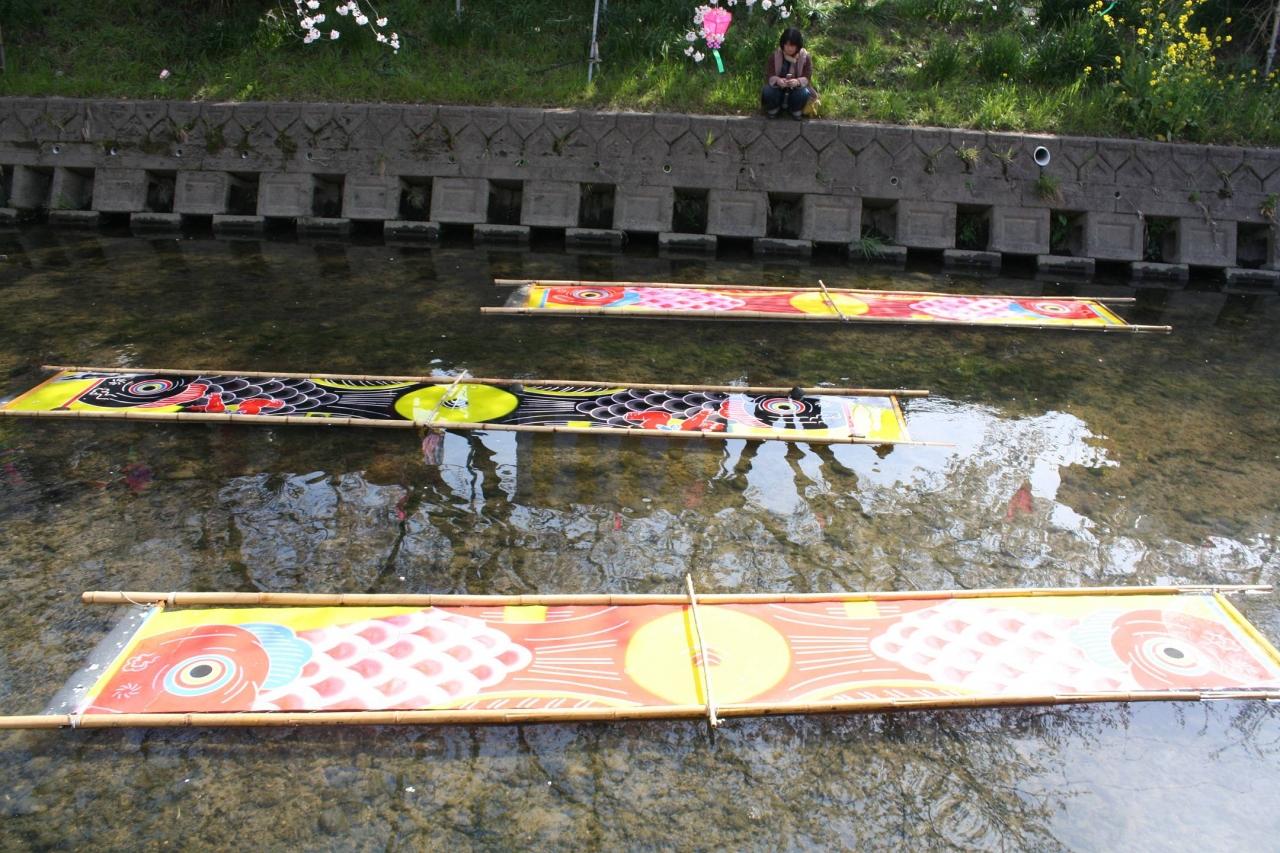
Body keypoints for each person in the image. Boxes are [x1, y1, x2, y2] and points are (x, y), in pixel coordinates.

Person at [761, 28, 814, 119]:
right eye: (786, 45)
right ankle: (774, 108)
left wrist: (797, 81)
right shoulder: (775, 55)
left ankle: (795, 109)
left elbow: (807, 76)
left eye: (792, 45)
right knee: (767, 90)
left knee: (804, 92)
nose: (789, 48)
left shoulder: (805, 57)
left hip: (796, 90)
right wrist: (777, 80)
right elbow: (769, 74)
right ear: (783, 44)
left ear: (798, 46)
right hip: (778, 89)